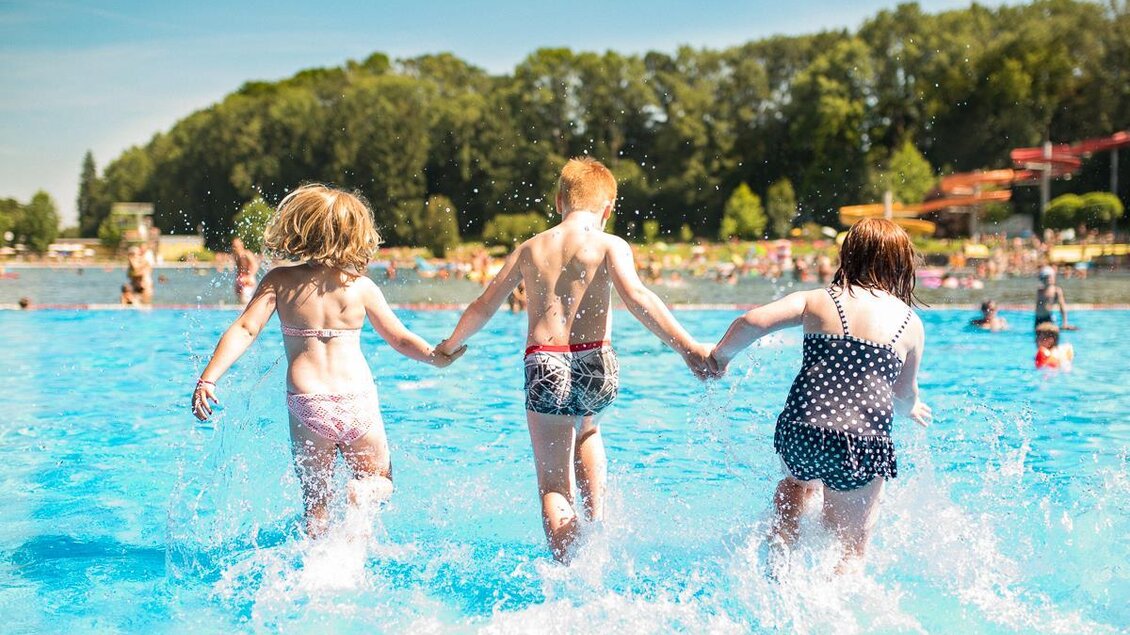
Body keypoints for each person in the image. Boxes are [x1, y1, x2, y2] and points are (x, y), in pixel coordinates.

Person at [436, 157, 716, 561]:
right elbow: (639, 298)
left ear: (558, 200)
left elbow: (484, 304)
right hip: (597, 363)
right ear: (608, 209)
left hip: (545, 362)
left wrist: (449, 344)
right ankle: (598, 528)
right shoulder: (609, 244)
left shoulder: (531, 247)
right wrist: (689, 347)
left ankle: (570, 569)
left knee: (553, 485)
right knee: (587, 430)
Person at [191, 184, 464, 538]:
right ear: (355, 235)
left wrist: (209, 378)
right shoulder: (360, 286)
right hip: (357, 401)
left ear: (300, 228)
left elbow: (245, 328)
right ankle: (362, 496)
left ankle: (318, 567)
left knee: (315, 505)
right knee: (379, 481)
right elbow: (398, 337)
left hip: (309, 404)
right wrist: (434, 356)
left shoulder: (280, 281)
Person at [709, 218, 932, 574]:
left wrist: (719, 357)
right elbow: (903, 396)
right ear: (901, 267)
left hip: (800, 434)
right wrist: (911, 408)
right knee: (851, 549)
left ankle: (781, 551)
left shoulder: (818, 300)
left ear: (848, 255)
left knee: (797, 480)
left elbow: (752, 322)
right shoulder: (910, 323)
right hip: (860, 447)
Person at [1035, 265, 1075, 331]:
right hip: (1038, 318)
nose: (1050, 279)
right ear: (1043, 279)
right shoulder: (1039, 291)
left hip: (1047, 318)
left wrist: (1064, 323)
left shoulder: (1056, 291)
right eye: (1047, 277)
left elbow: (1062, 307)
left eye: (1051, 277)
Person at [230, 237, 260, 305]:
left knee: (246, 302)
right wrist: (237, 281)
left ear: (241, 245)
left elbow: (255, 266)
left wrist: (249, 277)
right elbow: (239, 270)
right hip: (242, 279)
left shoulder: (247, 254)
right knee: (239, 301)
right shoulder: (236, 256)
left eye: (236, 246)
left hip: (249, 279)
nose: (234, 248)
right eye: (233, 246)